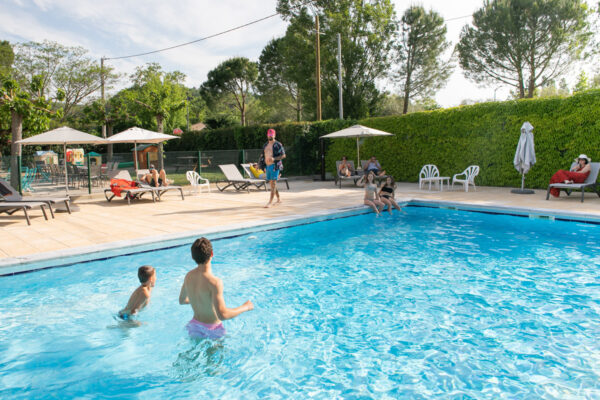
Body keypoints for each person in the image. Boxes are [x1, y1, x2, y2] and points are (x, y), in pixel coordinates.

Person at [179, 237, 254, 339]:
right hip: (213, 330)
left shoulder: (189, 276)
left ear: (193, 257)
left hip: (194, 326)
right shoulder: (215, 282)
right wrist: (245, 307)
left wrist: (198, 300)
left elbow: (182, 300)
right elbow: (222, 315)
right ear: (212, 254)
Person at [260, 128, 286, 208]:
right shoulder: (265, 145)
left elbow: (283, 155)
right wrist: (260, 165)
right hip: (268, 166)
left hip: (275, 166)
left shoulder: (278, 144)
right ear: (267, 135)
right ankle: (278, 199)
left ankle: (270, 202)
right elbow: (262, 156)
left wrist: (274, 159)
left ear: (274, 135)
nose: (270, 136)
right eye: (269, 135)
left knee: (273, 184)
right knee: (272, 184)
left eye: (271, 135)